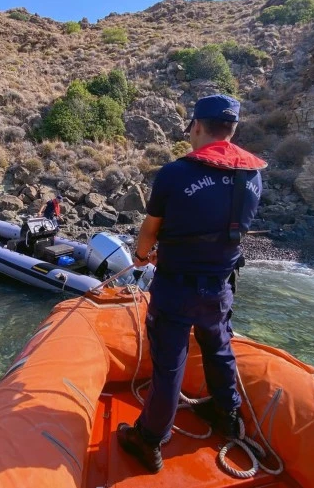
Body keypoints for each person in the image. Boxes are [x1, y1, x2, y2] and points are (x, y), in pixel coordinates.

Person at [116, 94, 266, 473]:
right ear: (232, 129)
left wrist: (141, 255)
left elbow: (150, 231)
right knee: (218, 347)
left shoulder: (174, 174)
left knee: (169, 365)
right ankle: (227, 416)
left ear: (197, 126)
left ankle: (149, 440)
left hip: (176, 287)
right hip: (220, 286)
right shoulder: (253, 175)